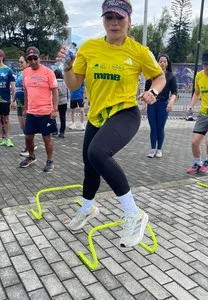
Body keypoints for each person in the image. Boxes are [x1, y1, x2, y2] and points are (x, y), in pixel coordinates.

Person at [57, 0, 166, 248]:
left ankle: (133, 214)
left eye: (119, 18)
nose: (114, 23)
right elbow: (74, 84)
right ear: (103, 20)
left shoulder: (138, 50)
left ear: (129, 21)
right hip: (97, 116)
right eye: (109, 18)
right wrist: (66, 66)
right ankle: (87, 209)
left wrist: (153, 92)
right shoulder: (89, 48)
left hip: (125, 113)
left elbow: (158, 76)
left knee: (98, 152)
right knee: (90, 165)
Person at [19, 46, 59, 173]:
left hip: (46, 112)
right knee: (28, 137)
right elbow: (26, 91)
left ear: (39, 58)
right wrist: (25, 107)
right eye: (30, 59)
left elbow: (55, 91)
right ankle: (31, 157)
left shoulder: (48, 72)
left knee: (46, 138)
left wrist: (55, 109)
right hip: (31, 111)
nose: (33, 61)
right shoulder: (25, 72)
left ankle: (50, 160)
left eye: (35, 58)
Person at [146, 54, 178, 158]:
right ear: (157, 62)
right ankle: (152, 149)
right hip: (152, 104)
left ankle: (159, 149)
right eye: (160, 61)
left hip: (163, 104)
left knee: (160, 127)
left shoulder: (171, 76)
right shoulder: (152, 75)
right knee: (153, 127)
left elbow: (174, 92)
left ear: (167, 63)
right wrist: (143, 103)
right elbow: (147, 90)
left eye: (165, 61)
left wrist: (171, 103)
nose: (162, 63)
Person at [11, 55, 37, 157]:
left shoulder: (31, 73)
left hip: (28, 104)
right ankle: (31, 144)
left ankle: (29, 147)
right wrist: (13, 101)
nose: (19, 64)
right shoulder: (19, 73)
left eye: (21, 62)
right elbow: (17, 89)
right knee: (23, 126)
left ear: (27, 63)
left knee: (28, 127)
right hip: (19, 103)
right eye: (19, 62)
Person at [54, 69, 69, 138]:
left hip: (56, 101)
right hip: (64, 101)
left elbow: (54, 93)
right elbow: (67, 91)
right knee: (63, 117)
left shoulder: (54, 82)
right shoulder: (65, 82)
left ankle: (54, 130)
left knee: (53, 116)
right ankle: (62, 132)